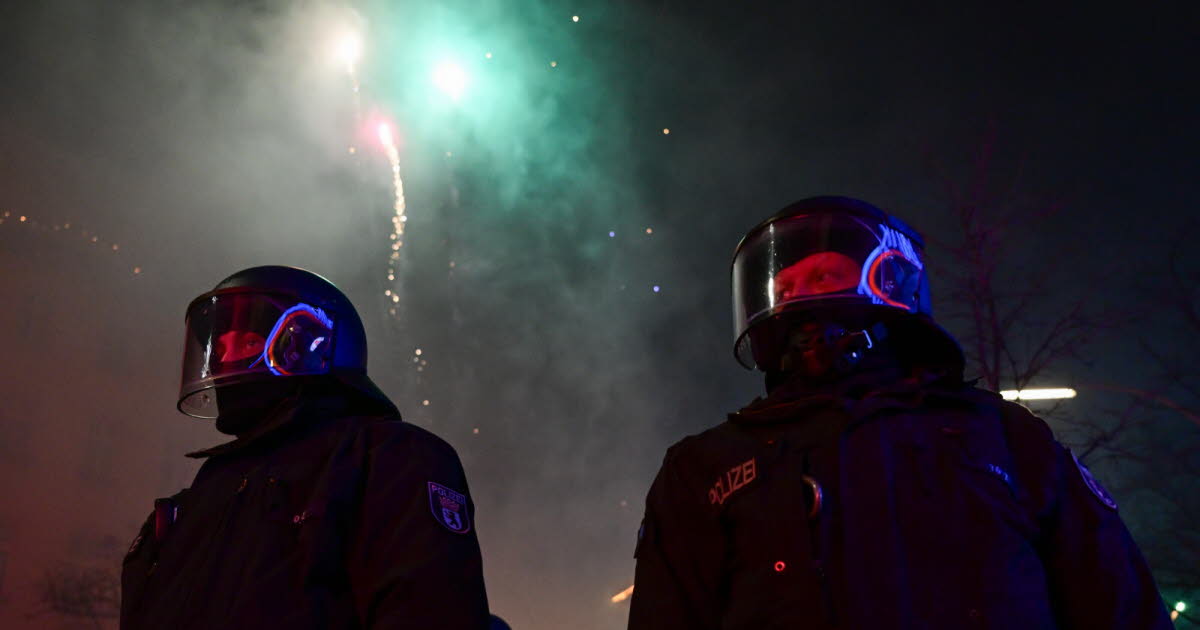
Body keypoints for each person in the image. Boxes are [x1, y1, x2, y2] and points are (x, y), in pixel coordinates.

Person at [627, 197, 1172, 629]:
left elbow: (1116, 603)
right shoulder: (705, 468)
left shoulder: (1004, 438)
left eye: (821, 276)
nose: (795, 298)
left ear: (890, 283)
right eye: (783, 285)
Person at [121, 265, 490, 629]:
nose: (227, 362)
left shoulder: (389, 456)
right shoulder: (201, 495)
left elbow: (428, 609)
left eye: (248, 342)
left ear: (308, 346)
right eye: (220, 348)